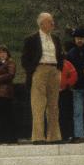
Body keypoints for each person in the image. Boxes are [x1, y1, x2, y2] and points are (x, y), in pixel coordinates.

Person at [20, 12, 65, 143]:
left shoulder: (55, 38)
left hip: (54, 70)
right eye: (50, 21)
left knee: (54, 105)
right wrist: (33, 70)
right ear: (41, 24)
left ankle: (54, 136)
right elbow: (24, 59)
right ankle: (38, 136)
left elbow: (61, 55)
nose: (53, 23)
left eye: (52, 21)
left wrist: (59, 68)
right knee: (38, 104)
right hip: (39, 69)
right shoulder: (31, 39)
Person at [0, 45, 18, 144]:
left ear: (7, 53)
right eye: (0, 53)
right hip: (0, 92)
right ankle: (5, 137)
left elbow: (11, 75)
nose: (2, 54)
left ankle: (9, 138)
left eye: (4, 52)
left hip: (6, 92)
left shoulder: (10, 62)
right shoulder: (0, 64)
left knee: (7, 115)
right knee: (3, 116)